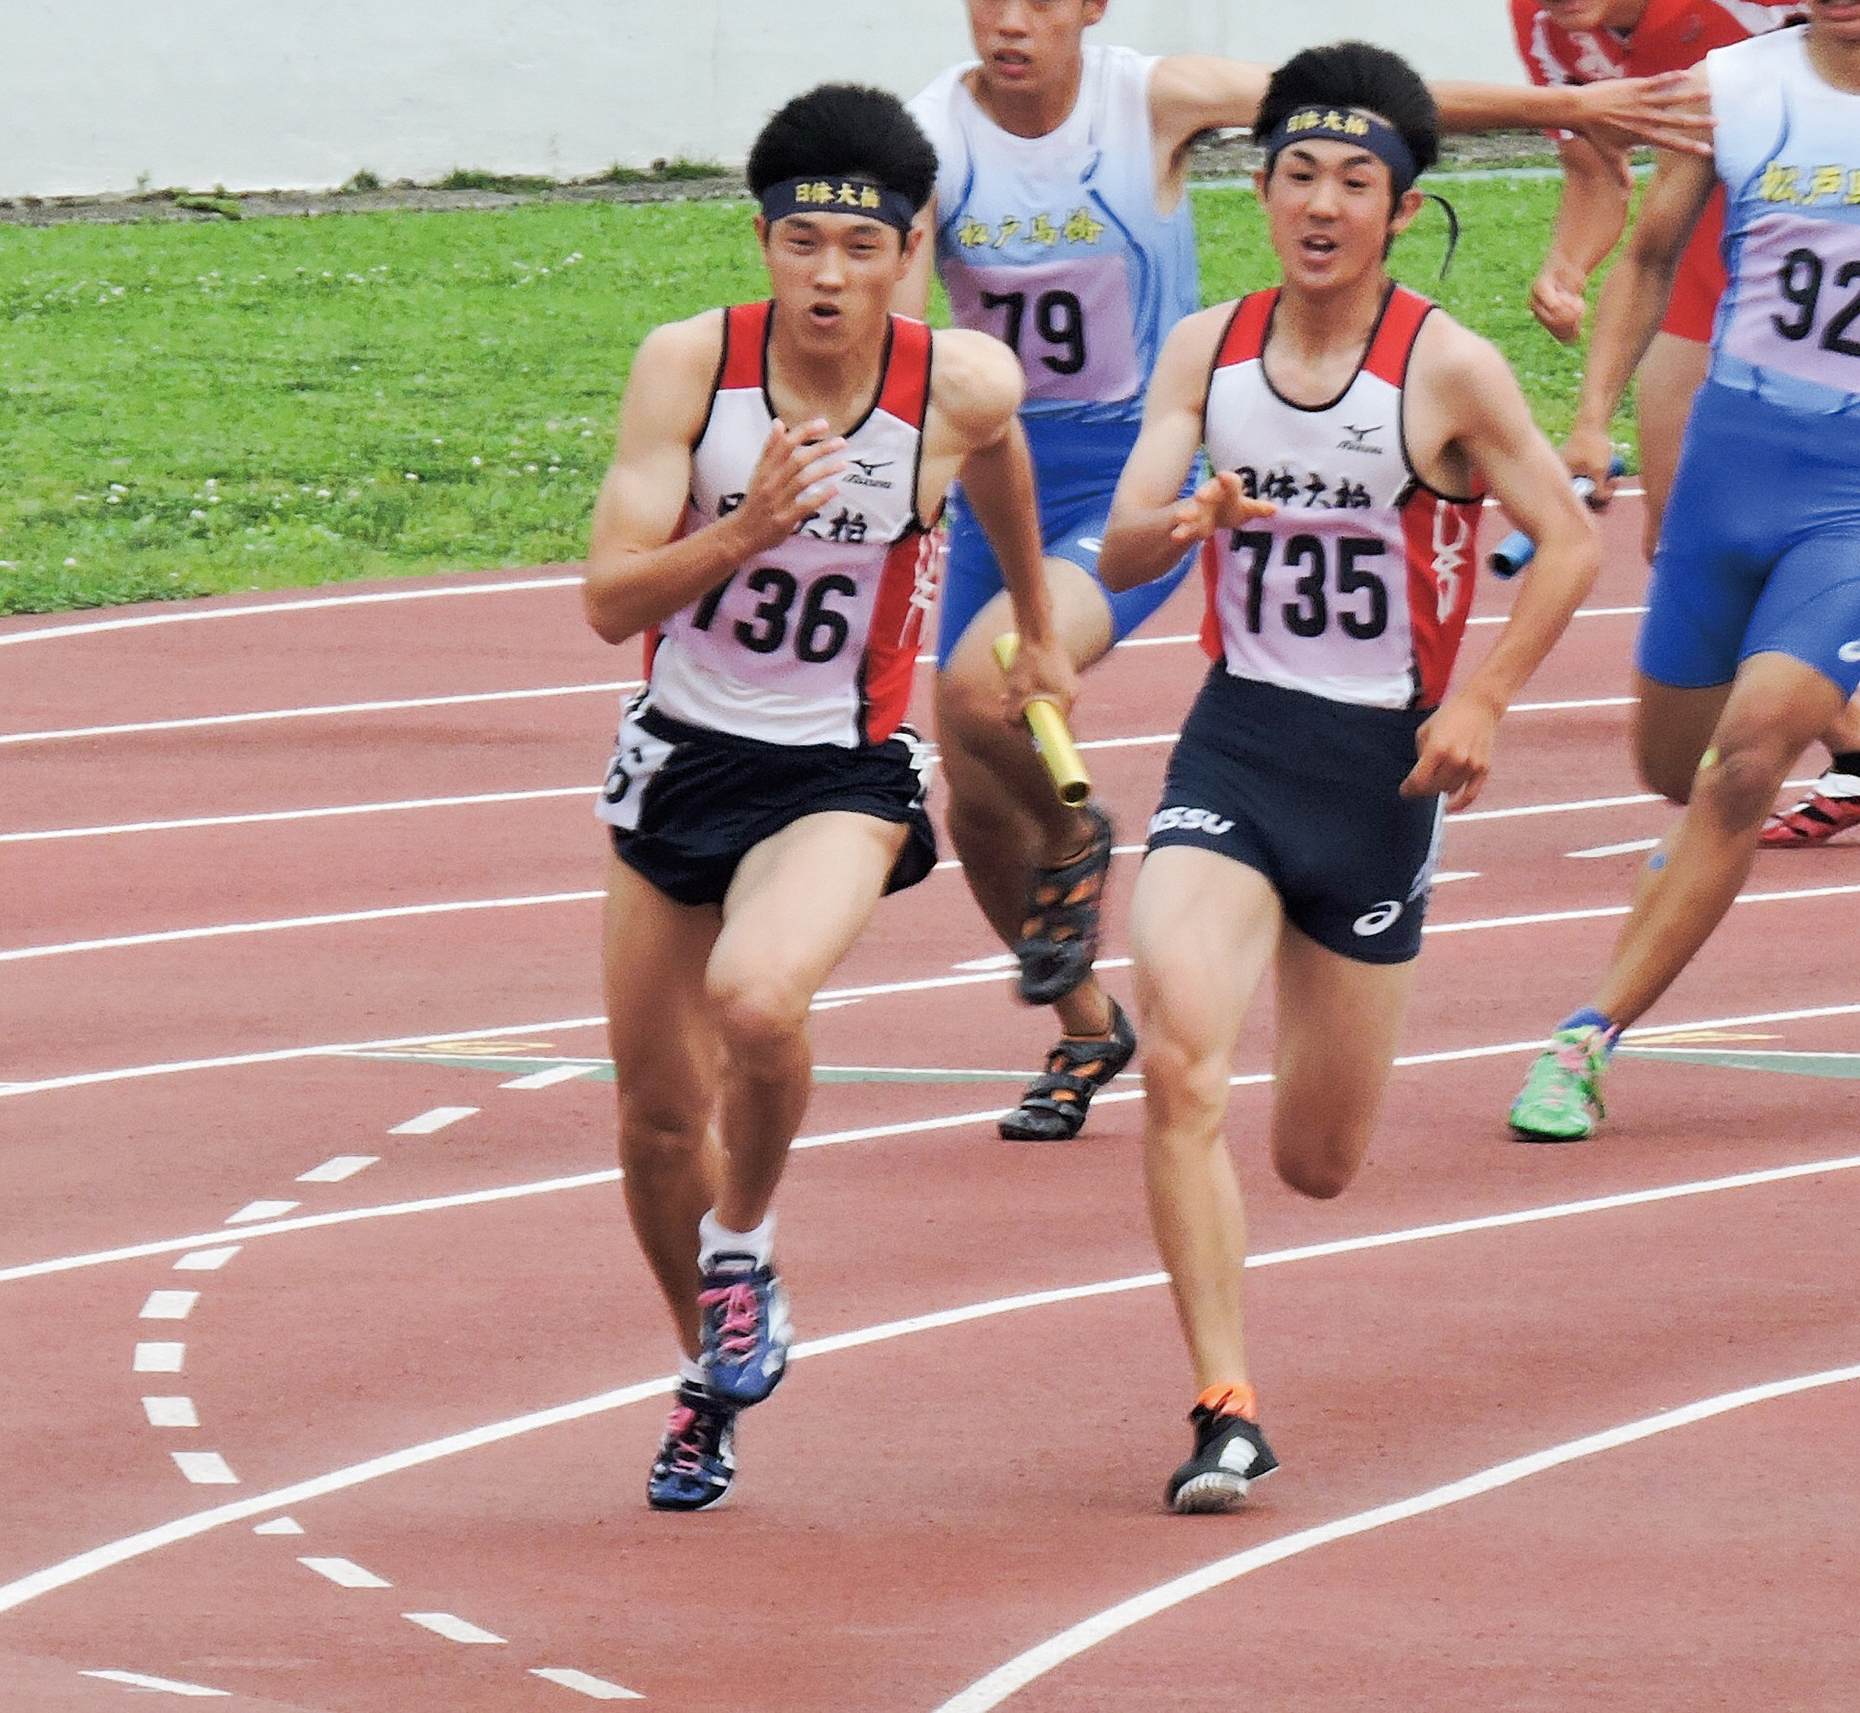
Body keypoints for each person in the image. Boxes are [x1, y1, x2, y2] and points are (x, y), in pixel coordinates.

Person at [899, 0, 1710, 1147]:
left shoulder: (1157, 99)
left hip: (1127, 471)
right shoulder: (932, 135)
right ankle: (1084, 1023)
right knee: (973, 793)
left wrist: (1568, 106)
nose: (1013, 21)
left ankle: (1079, 841)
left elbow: (1365, 109)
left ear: (1092, 8)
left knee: (983, 696)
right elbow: (902, 331)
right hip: (1006, 472)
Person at [1096, 41, 1600, 1510]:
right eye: (1297, 173)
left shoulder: (1445, 365)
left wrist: (1485, 702)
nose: (1321, 202)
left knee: (1319, 1159)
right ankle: (1225, 1404)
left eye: (1354, 180)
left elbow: (1565, 540)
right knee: (1181, 1048)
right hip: (1239, 740)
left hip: (1383, 778)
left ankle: (1254, 1263)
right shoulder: (1207, 347)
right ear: (1263, 190)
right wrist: (1181, 519)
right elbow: (1124, 543)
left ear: (1400, 206)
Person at [582, 82, 1075, 1511]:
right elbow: (610, 603)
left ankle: (745, 1246)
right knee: (654, 1120)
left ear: (909, 252)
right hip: (678, 757)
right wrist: (744, 530)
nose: (831, 277)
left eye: (862, 252)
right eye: (804, 245)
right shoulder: (690, 368)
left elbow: (1000, 466)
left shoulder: (958, 385)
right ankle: (709, 1373)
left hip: (838, 771)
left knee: (758, 998)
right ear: (764, 244)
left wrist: (1035, 618)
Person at [1508, 0, 1860, 1140]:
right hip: (1732, 468)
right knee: (1675, 769)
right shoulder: (1735, 86)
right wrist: (1589, 418)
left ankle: (1584, 1037)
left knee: (1750, 761)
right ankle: (1696, 850)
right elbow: (1654, 252)